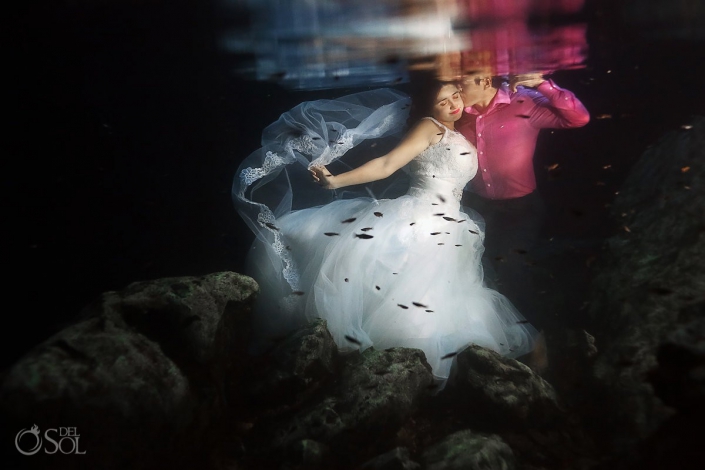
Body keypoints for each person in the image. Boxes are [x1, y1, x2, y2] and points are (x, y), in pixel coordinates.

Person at [233, 79, 537, 383]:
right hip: (422, 217)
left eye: (455, 95)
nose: (452, 103)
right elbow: (388, 163)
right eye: (442, 100)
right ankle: (403, 361)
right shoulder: (429, 127)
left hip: (450, 222)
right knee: (412, 292)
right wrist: (336, 181)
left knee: (441, 292)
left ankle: (424, 364)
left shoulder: (459, 133)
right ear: (428, 106)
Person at [455, 70, 590, 327]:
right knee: (478, 269)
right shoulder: (459, 111)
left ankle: (537, 336)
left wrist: (543, 85)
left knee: (512, 267)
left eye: (460, 85)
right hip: (477, 205)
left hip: (521, 208)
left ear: (484, 80)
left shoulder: (524, 101)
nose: (456, 92)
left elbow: (579, 118)